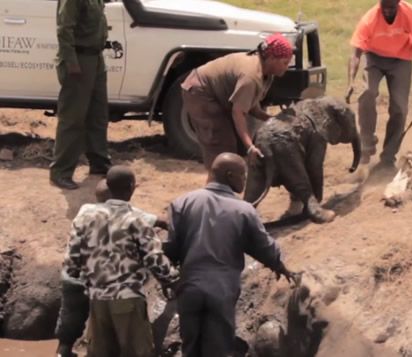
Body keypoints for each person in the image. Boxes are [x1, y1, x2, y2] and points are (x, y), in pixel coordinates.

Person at [165, 153, 296, 357]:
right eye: (243, 175)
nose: (245, 180)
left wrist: (171, 279)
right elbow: (261, 245)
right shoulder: (244, 210)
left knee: (190, 347)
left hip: (189, 288)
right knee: (218, 348)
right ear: (229, 175)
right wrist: (279, 265)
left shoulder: (182, 202)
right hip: (221, 290)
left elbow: (171, 247)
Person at [62, 167, 179, 357]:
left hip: (97, 300)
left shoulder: (84, 217)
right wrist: (172, 280)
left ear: (107, 186)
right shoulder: (136, 220)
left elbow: (72, 261)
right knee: (136, 352)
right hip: (128, 299)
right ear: (131, 187)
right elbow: (154, 259)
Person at [181, 34, 293, 169]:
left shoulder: (265, 72)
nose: (286, 68)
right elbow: (238, 112)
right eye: (284, 62)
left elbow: (252, 107)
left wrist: (273, 119)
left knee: (234, 142)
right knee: (222, 147)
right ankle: (217, 183)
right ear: (271, 58)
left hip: (214, 92)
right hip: (200, 92)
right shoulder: (251, 76)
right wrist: (250, 147)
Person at [347, 0, 412, 168]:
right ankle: (366, 144)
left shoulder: (411, 14)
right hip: (373, 56)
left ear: (399, 4)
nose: (387, 11)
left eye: (391, 7)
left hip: (401, 59)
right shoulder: (370, 19)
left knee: (400, 109)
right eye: (383, 7)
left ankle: (388, 157)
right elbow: (356, 53)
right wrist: (351, 81)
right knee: (366, 93)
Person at [50, 0, 112, 190]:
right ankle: (60, 171)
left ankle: (99, 163)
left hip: (95, 57)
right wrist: (71, 62)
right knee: (73, 117)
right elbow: (64, 29)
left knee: (98, 114)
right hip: (79, 58)